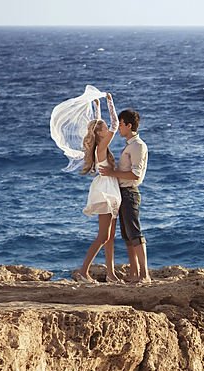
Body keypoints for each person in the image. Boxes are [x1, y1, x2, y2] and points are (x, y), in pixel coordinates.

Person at [72, 93, 122, 283]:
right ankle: (83, 272)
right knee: (103, 236)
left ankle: (111, 273)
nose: (108, 129)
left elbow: (98, 125)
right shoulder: (101, 146)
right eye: (104, 128)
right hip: (106, 190)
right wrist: (110, 102)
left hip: (110, 187)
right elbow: (115, 125)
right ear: (100, 133)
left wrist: (97, 106)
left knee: (109, 237)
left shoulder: (99, 144)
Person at [100, 108, 150, 283]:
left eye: (121, 124)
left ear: (129, 126)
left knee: (135, 234)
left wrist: (111, 173)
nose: (119, 128)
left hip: (129, 193)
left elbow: (135, 175)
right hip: (122, 193)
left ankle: (144, 274)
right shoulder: (130, 145)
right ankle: (134, 274)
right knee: (127, 236)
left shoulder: (137, 146)